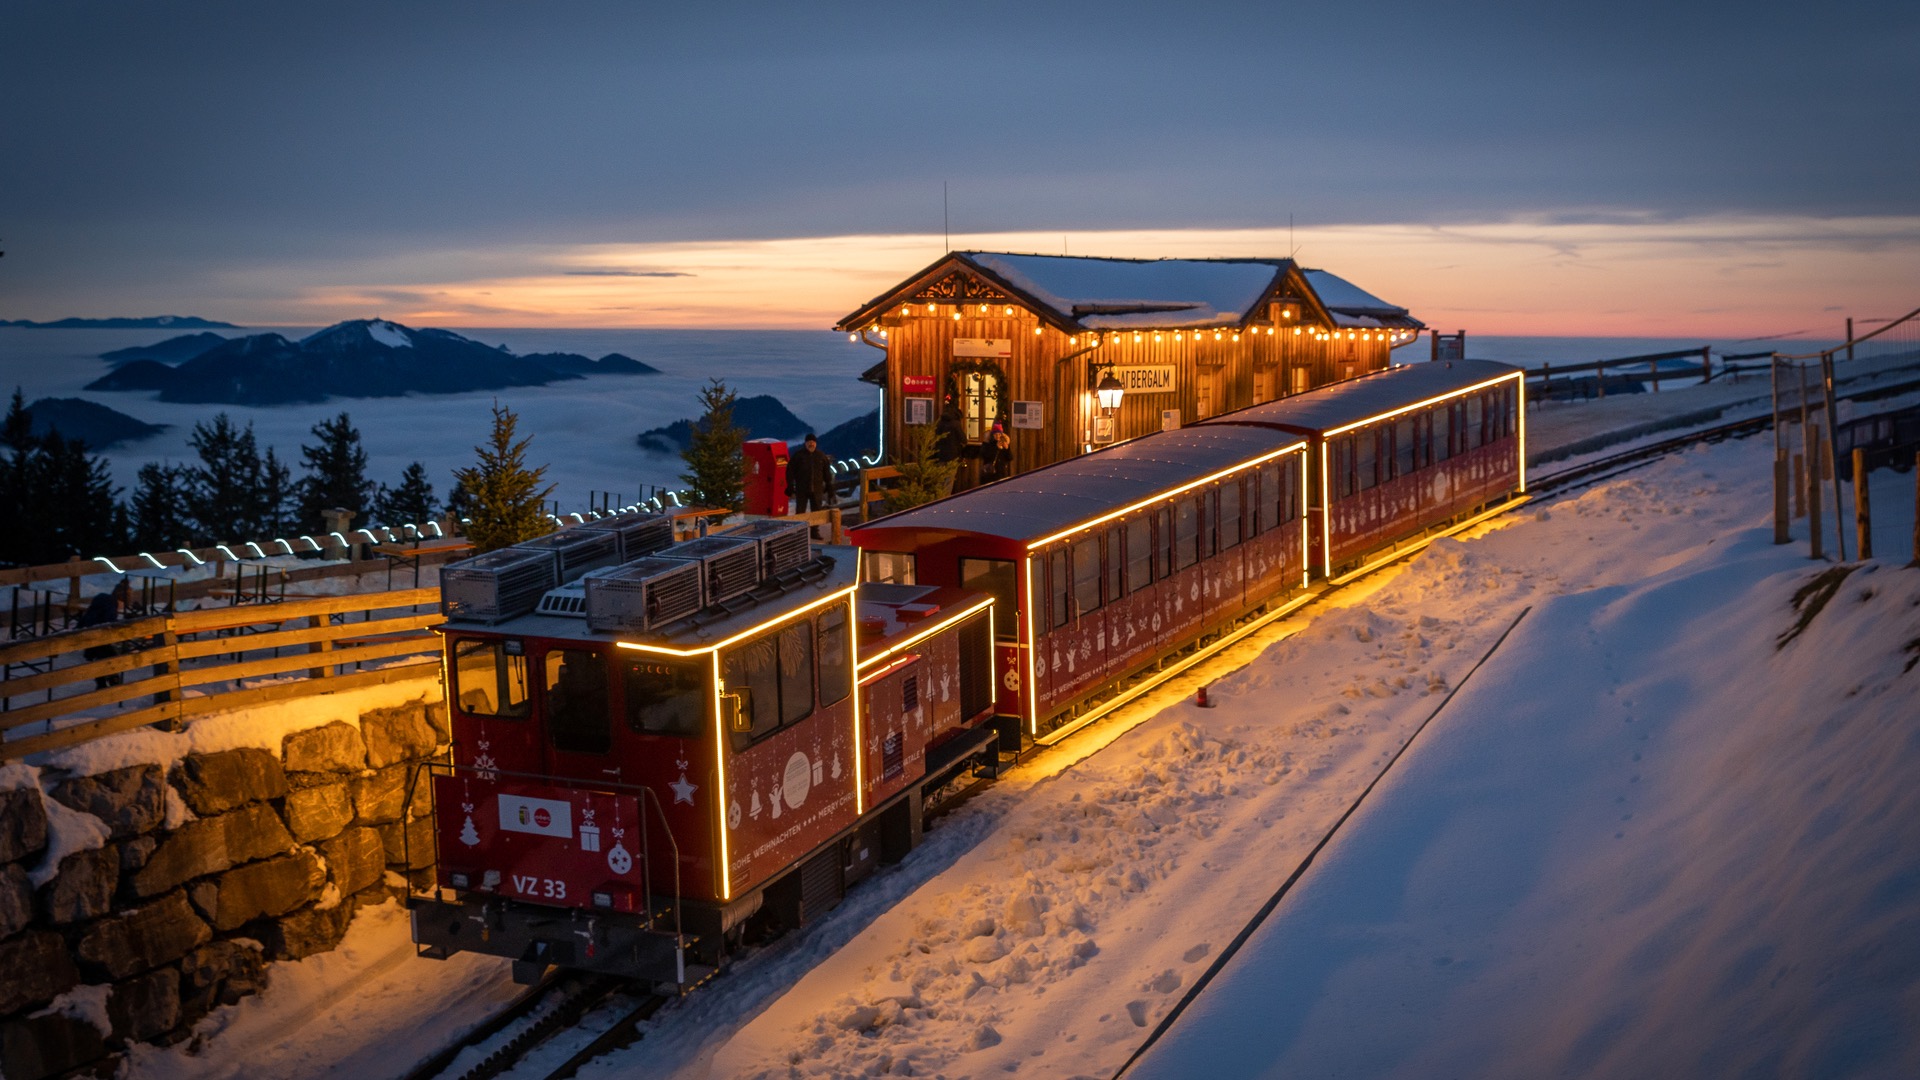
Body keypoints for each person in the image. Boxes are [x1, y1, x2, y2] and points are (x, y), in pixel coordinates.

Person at [80, 577, 131, 689]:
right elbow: (109, 622)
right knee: (109, 657)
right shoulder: (111, 605)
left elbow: (90, 615)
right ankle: (110, 681)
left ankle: (104, 682)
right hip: (98, 636)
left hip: (89, 632)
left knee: (102, 657)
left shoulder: (104, 599)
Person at [786, 432, 833, 514]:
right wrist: (790, 485)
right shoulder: (798, 456)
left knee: (816, 511)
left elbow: (826, 472)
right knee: (800, 512)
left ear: (816, 443)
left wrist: (829, 485)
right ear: (805, 443)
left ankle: (815, 527)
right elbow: (790, 471)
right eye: (809, 442)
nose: (811, 444)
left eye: (813, 442)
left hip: (817, 488)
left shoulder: (821, 456)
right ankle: (801, 527)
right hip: (801, 489)